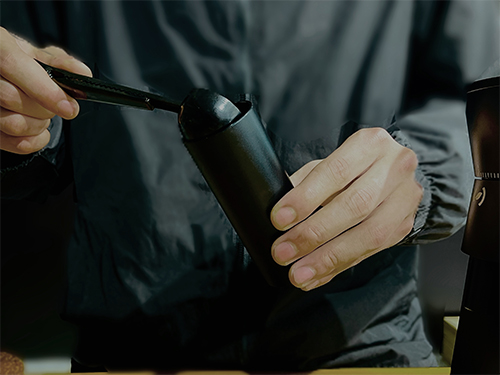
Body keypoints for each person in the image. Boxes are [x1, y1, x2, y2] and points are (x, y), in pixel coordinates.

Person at [1, 0, 498, 371]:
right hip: (135, 344)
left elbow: (478, 86)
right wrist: (14, 124)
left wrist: (423, 170)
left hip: (363, 339)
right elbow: (34, 124)